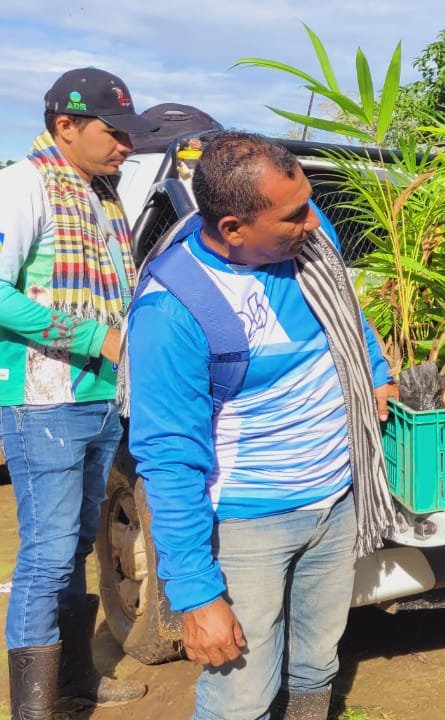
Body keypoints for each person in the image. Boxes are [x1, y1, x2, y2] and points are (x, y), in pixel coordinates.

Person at [123, 132, 398, 719]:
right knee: (240, 693)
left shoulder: (301, 240)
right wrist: (196, 593)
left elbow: (346, 308)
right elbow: (171, 460)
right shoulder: (173, 312)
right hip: (248, 524)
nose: (314, 224)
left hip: (335, 503)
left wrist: (374, 370)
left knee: (317, 662)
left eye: (307, 203)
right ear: (233, 228)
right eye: (294, 215)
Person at [0, 67, 157, 718]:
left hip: (98, 400)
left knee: (71, 547)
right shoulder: (23, 185)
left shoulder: (102, 195)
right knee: (45, 550)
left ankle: (71, 683)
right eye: (113, 131)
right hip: (45, 397)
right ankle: (35, 707)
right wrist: (96, 337)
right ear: (65, 126)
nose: (126, 145)